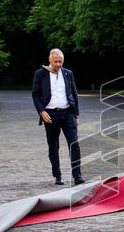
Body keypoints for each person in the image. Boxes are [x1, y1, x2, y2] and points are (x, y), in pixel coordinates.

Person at [31, 49, 84, 186]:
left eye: (61, 61)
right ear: (50, 60)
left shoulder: (68, 73)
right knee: (53, 146)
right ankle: (57, 175)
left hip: (68, 114)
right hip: (50, 115)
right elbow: (35, 95)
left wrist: (76, 114)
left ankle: (77, 175)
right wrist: (41, 111)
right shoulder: (40, 74)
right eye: (56, 61)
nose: (59, 64)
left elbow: (74, 93)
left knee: (74, 143)